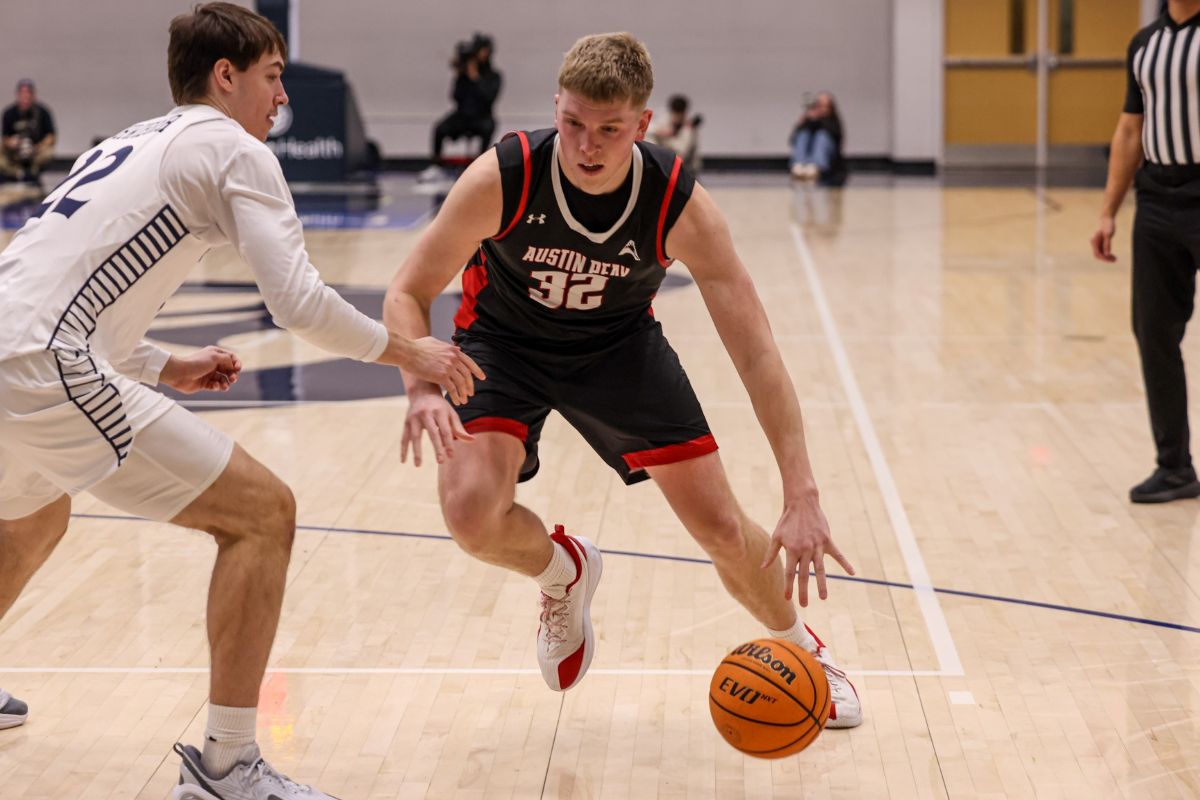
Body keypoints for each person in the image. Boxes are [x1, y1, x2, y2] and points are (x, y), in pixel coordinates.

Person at [0, 3, 481, 798]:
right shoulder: (233, 149)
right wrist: (411, 350)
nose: (282, 97)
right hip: (46, 365)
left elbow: (54, 294)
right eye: (272, 76)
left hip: (14, 348)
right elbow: (298, 303)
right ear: (226, 76)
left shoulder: (130, 140)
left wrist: (164, 363)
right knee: (262, 514)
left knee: (34, 514)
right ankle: (227, 768)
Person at [385, 32, 863, 727]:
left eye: (609, 129)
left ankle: (803, 652)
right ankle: (562, 571)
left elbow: (757, 354)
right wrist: (420, 388)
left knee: (722, 527)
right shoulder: (505, 177)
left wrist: (802, 490)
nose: (587, 146)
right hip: (502, 344)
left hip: (617, 349)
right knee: (470, 515)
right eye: (572, 123)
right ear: (556, 106)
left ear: (643, 125)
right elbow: (407, 289)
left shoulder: (677, 203)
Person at [1092, 0, 1200, 503]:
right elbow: (1130, 130)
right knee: (1153, 331)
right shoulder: (1145, 45)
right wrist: (1108, 211)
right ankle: (1174, 467)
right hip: (1157, 202)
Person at [418, 33, 503, 183]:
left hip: (482, 116)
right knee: (440, 128)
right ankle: (436, 166)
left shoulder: (494, 76)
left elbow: (488, 98)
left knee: (489, 127)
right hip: (462, 115)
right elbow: (455, 96)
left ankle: (480, 167)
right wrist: (461, 75)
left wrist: (475, 78)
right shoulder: (463, 75)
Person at [1, 79, 55, 184]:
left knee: (48, 153)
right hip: (14, 152)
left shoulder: (42, 112)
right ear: (18, 95)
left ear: (33, 95)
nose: (25, 97)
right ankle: (14, 174)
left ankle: (32, 173)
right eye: (23, 93)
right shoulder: (9, 113)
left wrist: (38, 147)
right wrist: (12, 143)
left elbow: (51, 136)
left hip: (35, 152)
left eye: (28, 93)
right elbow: (4, 138)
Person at [789, 92, 846, 186]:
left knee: (821, 136)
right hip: (806, 158)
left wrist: (820, 120)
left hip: (826, 159)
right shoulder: (808, 120)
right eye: (819, 105)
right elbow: (793, 140)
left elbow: (836, 139)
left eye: (825, 106)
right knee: (803, 134)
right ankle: (798, 165)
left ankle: (816, 166)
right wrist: (803, 123)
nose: (822, 109)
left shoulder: (833, 121)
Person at [648, 93, 701, 172]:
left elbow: (682, 152)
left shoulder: (689, 129)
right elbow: (648, 130)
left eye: (680, 115)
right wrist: (661, 132)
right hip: (662, 160)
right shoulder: (664, 119)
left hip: (683, 165)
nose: (678, 118)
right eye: (676, 114)